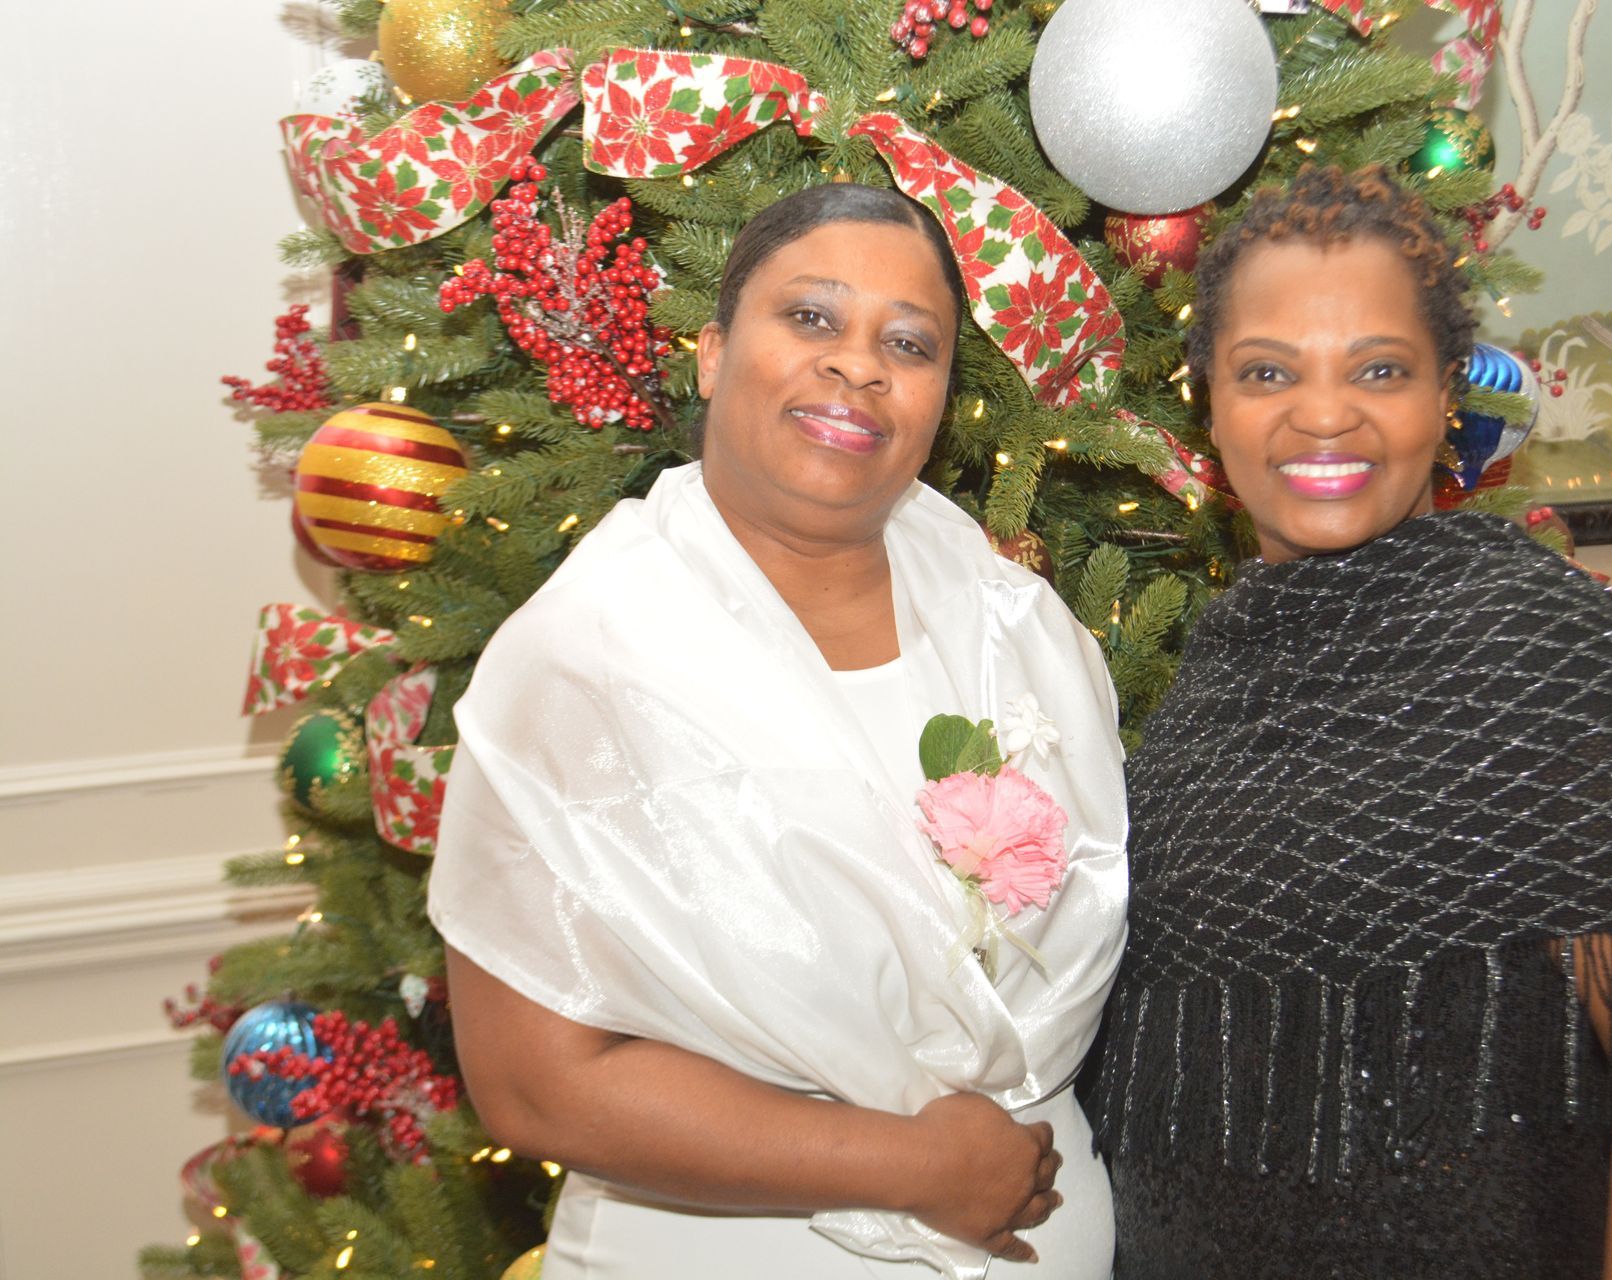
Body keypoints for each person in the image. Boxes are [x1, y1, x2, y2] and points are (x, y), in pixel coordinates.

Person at [1084, 166, 1612, 1279]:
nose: (1323, 413)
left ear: (1442, 400)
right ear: (1211, 405)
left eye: (1379, 369)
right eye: (1268, 371)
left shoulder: (1539, 643)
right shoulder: (1215, 678)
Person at [428, 183, 1128, 1279]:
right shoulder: (588, 655)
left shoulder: (1019, 628)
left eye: (909, 343)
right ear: (712, 353)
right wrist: (913, 1164)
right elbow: (535, 1081)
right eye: (811, 317)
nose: (858, 365)